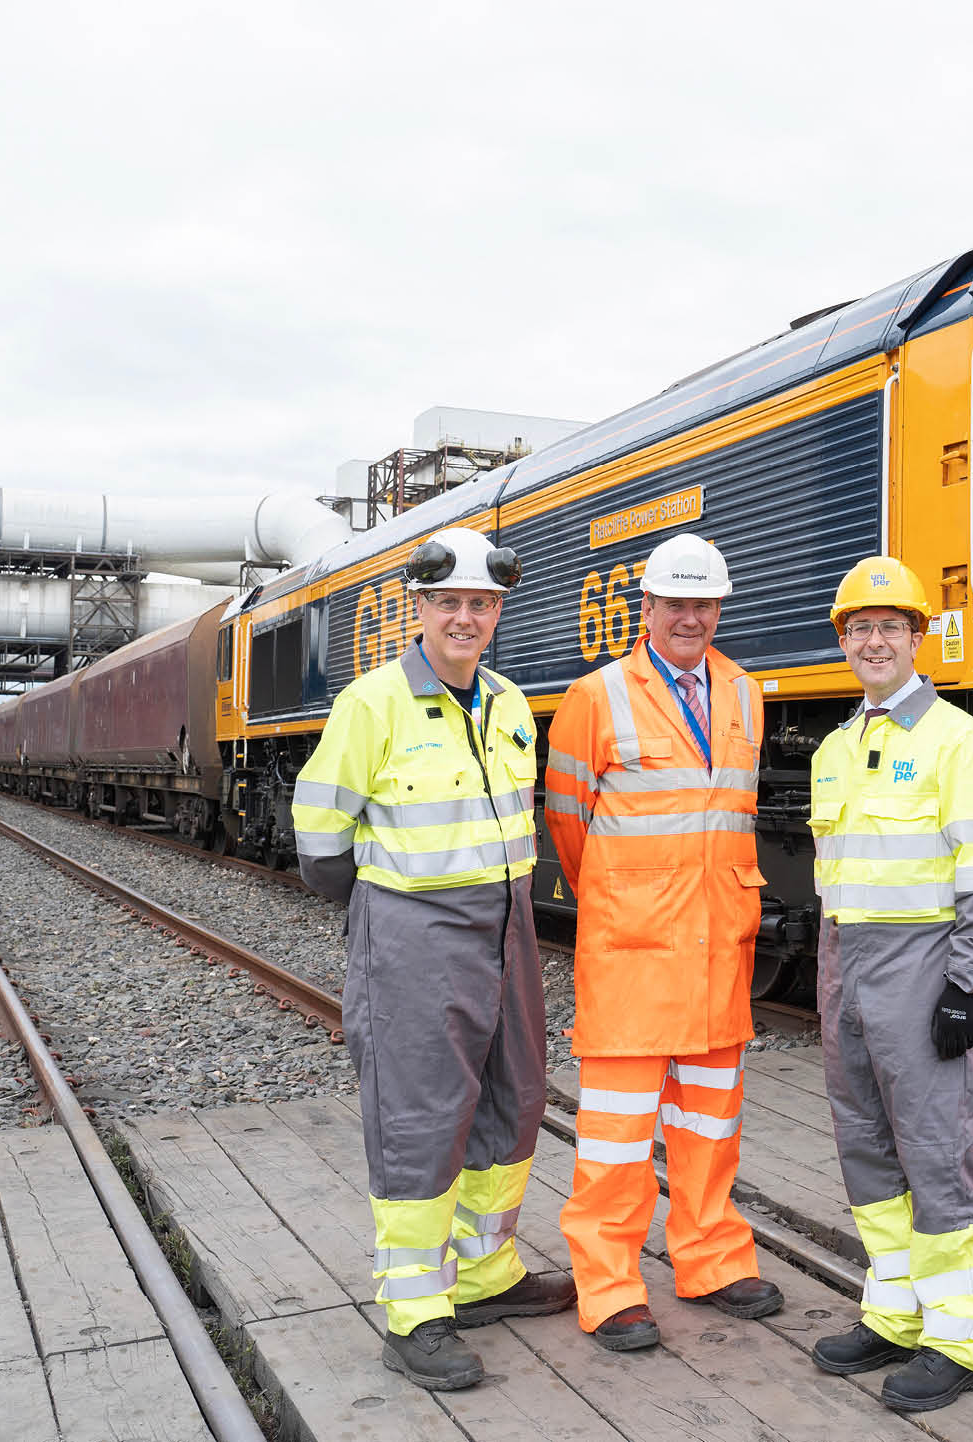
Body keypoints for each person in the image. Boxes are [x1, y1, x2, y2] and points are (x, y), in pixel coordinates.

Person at [292, 524, 574, 1392]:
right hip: (414, 931)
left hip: (507, 926)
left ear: (497, 614)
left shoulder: (511, 703)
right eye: (449, 602)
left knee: (513, 1095)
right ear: (421, 609)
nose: (466, 618)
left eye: (481, 605)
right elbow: (319, 843)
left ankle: (484, 1274)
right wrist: (389, 916)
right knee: (420, 1115)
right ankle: (414, 1311)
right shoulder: (370, 705)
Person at [543, 533, 784, 1355]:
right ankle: (608, 1284)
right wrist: (623, 900)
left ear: (719, 609)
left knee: (711, 1125)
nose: (690, 617)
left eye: (704, 603)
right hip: (634, 952)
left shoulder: (746, 694)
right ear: (646, 608)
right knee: (615, 1130)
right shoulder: (598, 695)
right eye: (675, 603)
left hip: (720, 947)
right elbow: (567, 826)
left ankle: (711, 1261)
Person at [805, 557, 973, 1413]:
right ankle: (894, 1313)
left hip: (922, 969)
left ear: (917, 638)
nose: (873, 640)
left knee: (933, 1153)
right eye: (859, 628)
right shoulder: (832, 749)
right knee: (865, 1146)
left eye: (890, 626)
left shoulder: (956, 740)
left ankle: (959, 1338)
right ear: (845, 642)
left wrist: (965, 983)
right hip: (843, 967)